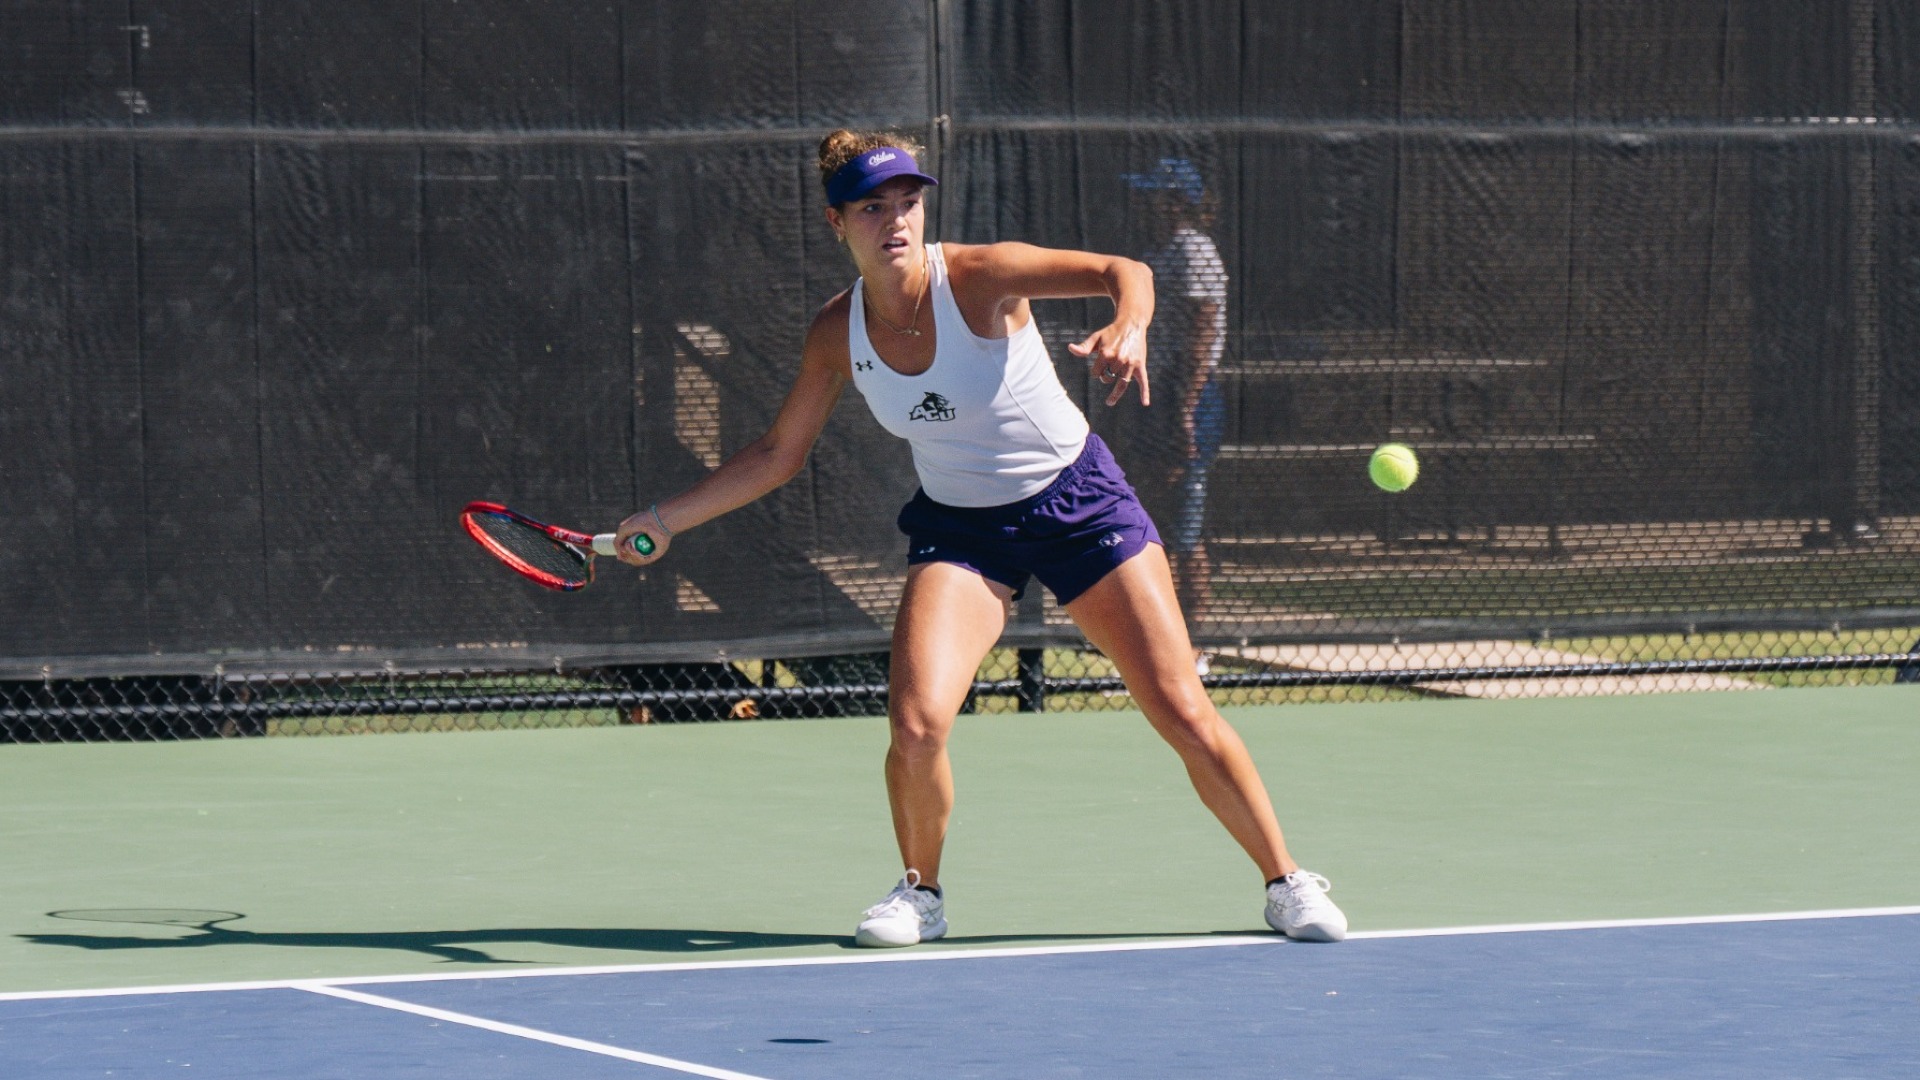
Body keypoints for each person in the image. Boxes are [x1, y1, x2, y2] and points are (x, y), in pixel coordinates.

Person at [612, 131, 1346, 946]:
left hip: (1080, 506)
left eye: (907, 202)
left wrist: (1130, 324)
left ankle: (1286, 881)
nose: (896, 220)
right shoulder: (835, 332)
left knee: (1180, 709)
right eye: (872, 208)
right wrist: (664, 521)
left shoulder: (979, 276)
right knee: (917, 724)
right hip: (962, 528)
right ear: (837, 223)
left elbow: (1125, 271)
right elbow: (778, 454)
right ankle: (920, 893)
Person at [1121, 158, 1228, 629]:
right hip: (1159, 393)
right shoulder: (1157, 253)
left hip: (1190, 399)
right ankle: (1160, 632)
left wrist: (1185, 408)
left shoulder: (1194, 250)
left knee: (1184, 525)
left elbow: (1202, 331)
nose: (1145, 204)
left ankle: (1196, 638)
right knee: (1153, 518)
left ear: (1178, 203)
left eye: (1155, 195)